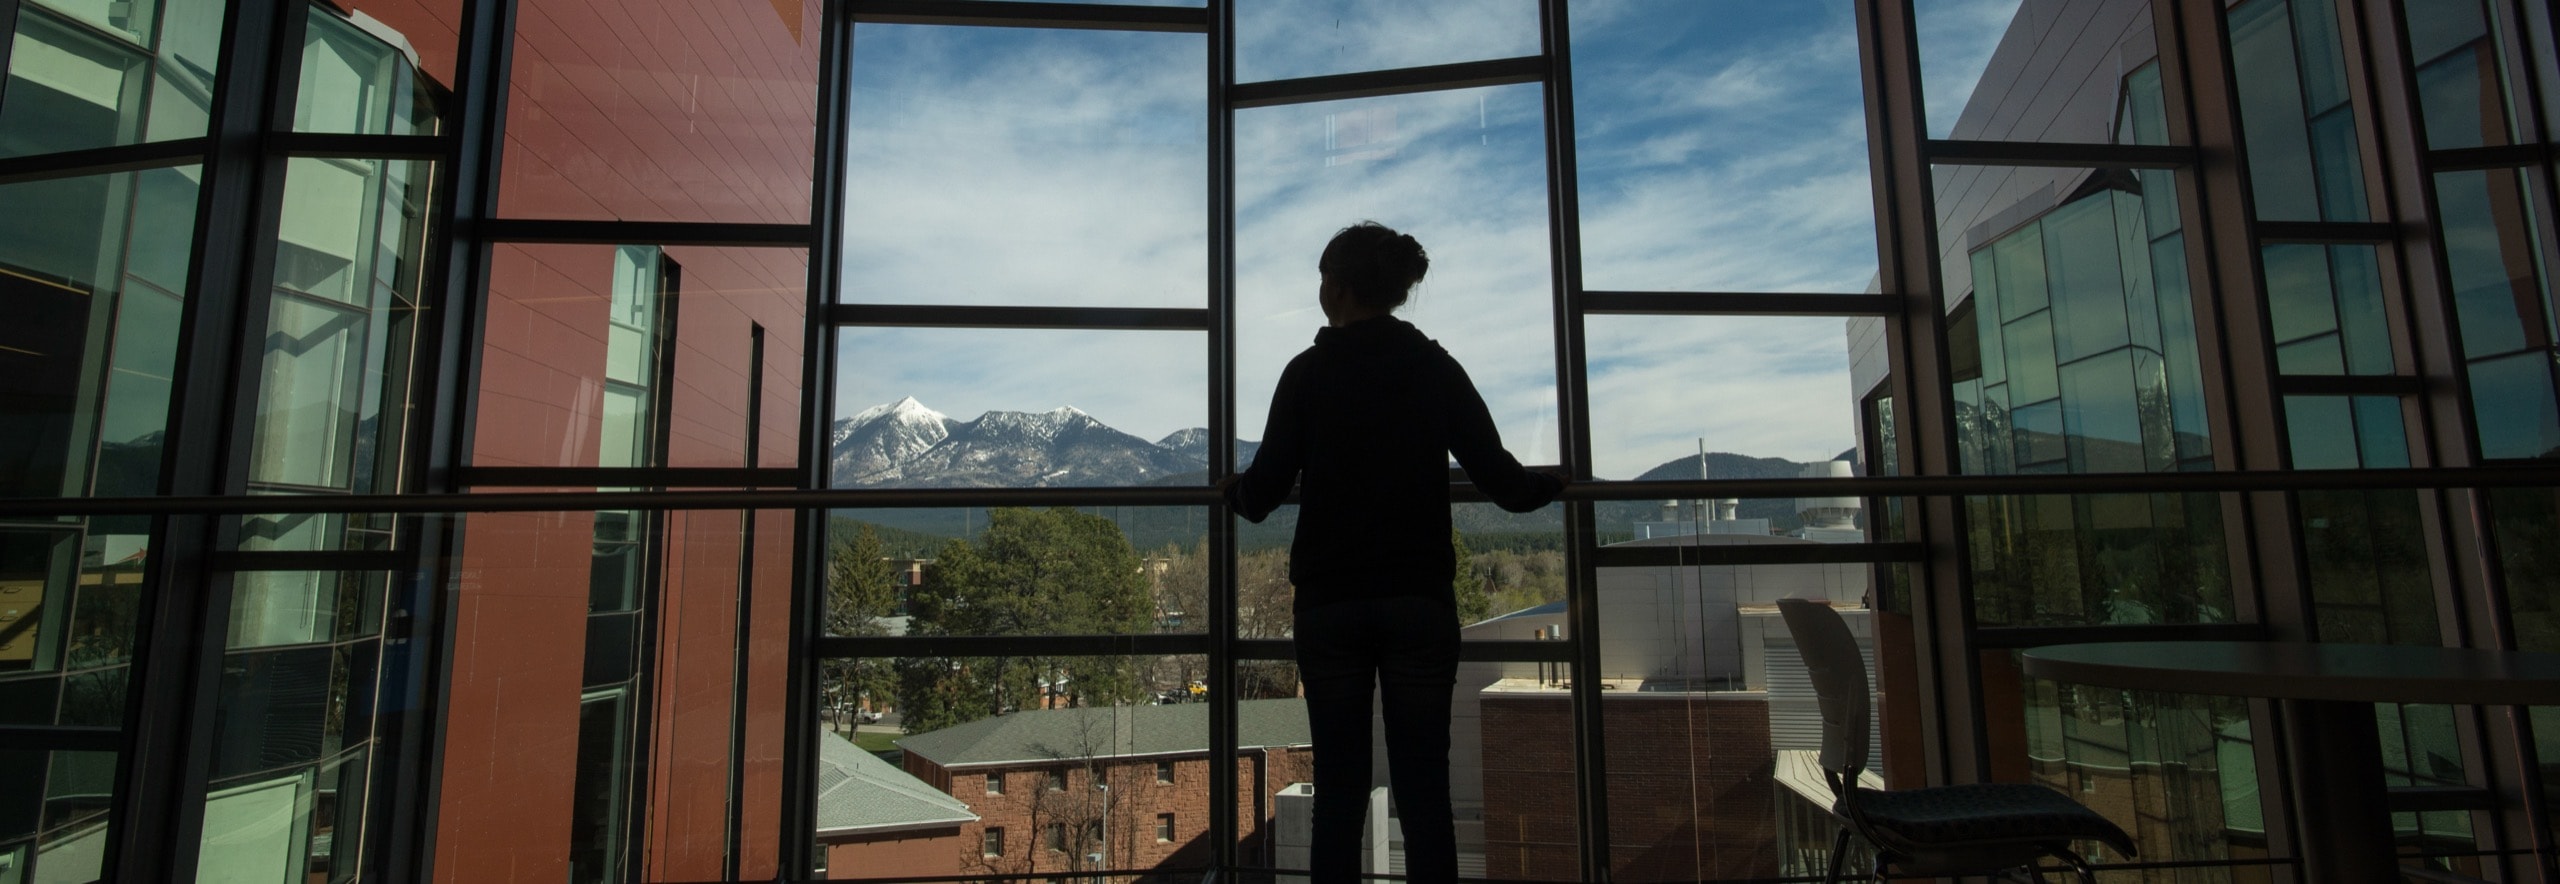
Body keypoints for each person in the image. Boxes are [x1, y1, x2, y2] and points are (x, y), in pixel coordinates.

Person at [1225, 221, 1565, 884]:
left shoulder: (1307, 374)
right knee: (1423, 791)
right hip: (1418, 598)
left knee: (1340, 791)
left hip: (1330, 601)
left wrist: (1230, 492)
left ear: (1341, 288)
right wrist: (1557, 484)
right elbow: (1502, 481)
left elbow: (1262, 493)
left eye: (1324, 278)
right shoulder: (1434, 368)